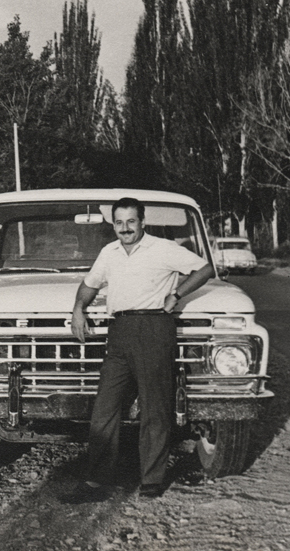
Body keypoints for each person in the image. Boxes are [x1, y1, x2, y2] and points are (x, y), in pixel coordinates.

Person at [66, 197, 214, 502]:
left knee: (155, 407)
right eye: (119, 222)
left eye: (131, 221)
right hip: (119, 330)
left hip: (154, 327)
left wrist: (176, 294)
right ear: (114, 225)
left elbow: (205, 269)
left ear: (142, 222)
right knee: (105, 407)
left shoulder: (163, 248)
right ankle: (97, 478)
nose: (125, 228)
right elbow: (90, 284)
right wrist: (78, 308)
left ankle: (152, 479)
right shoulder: (109, 253)